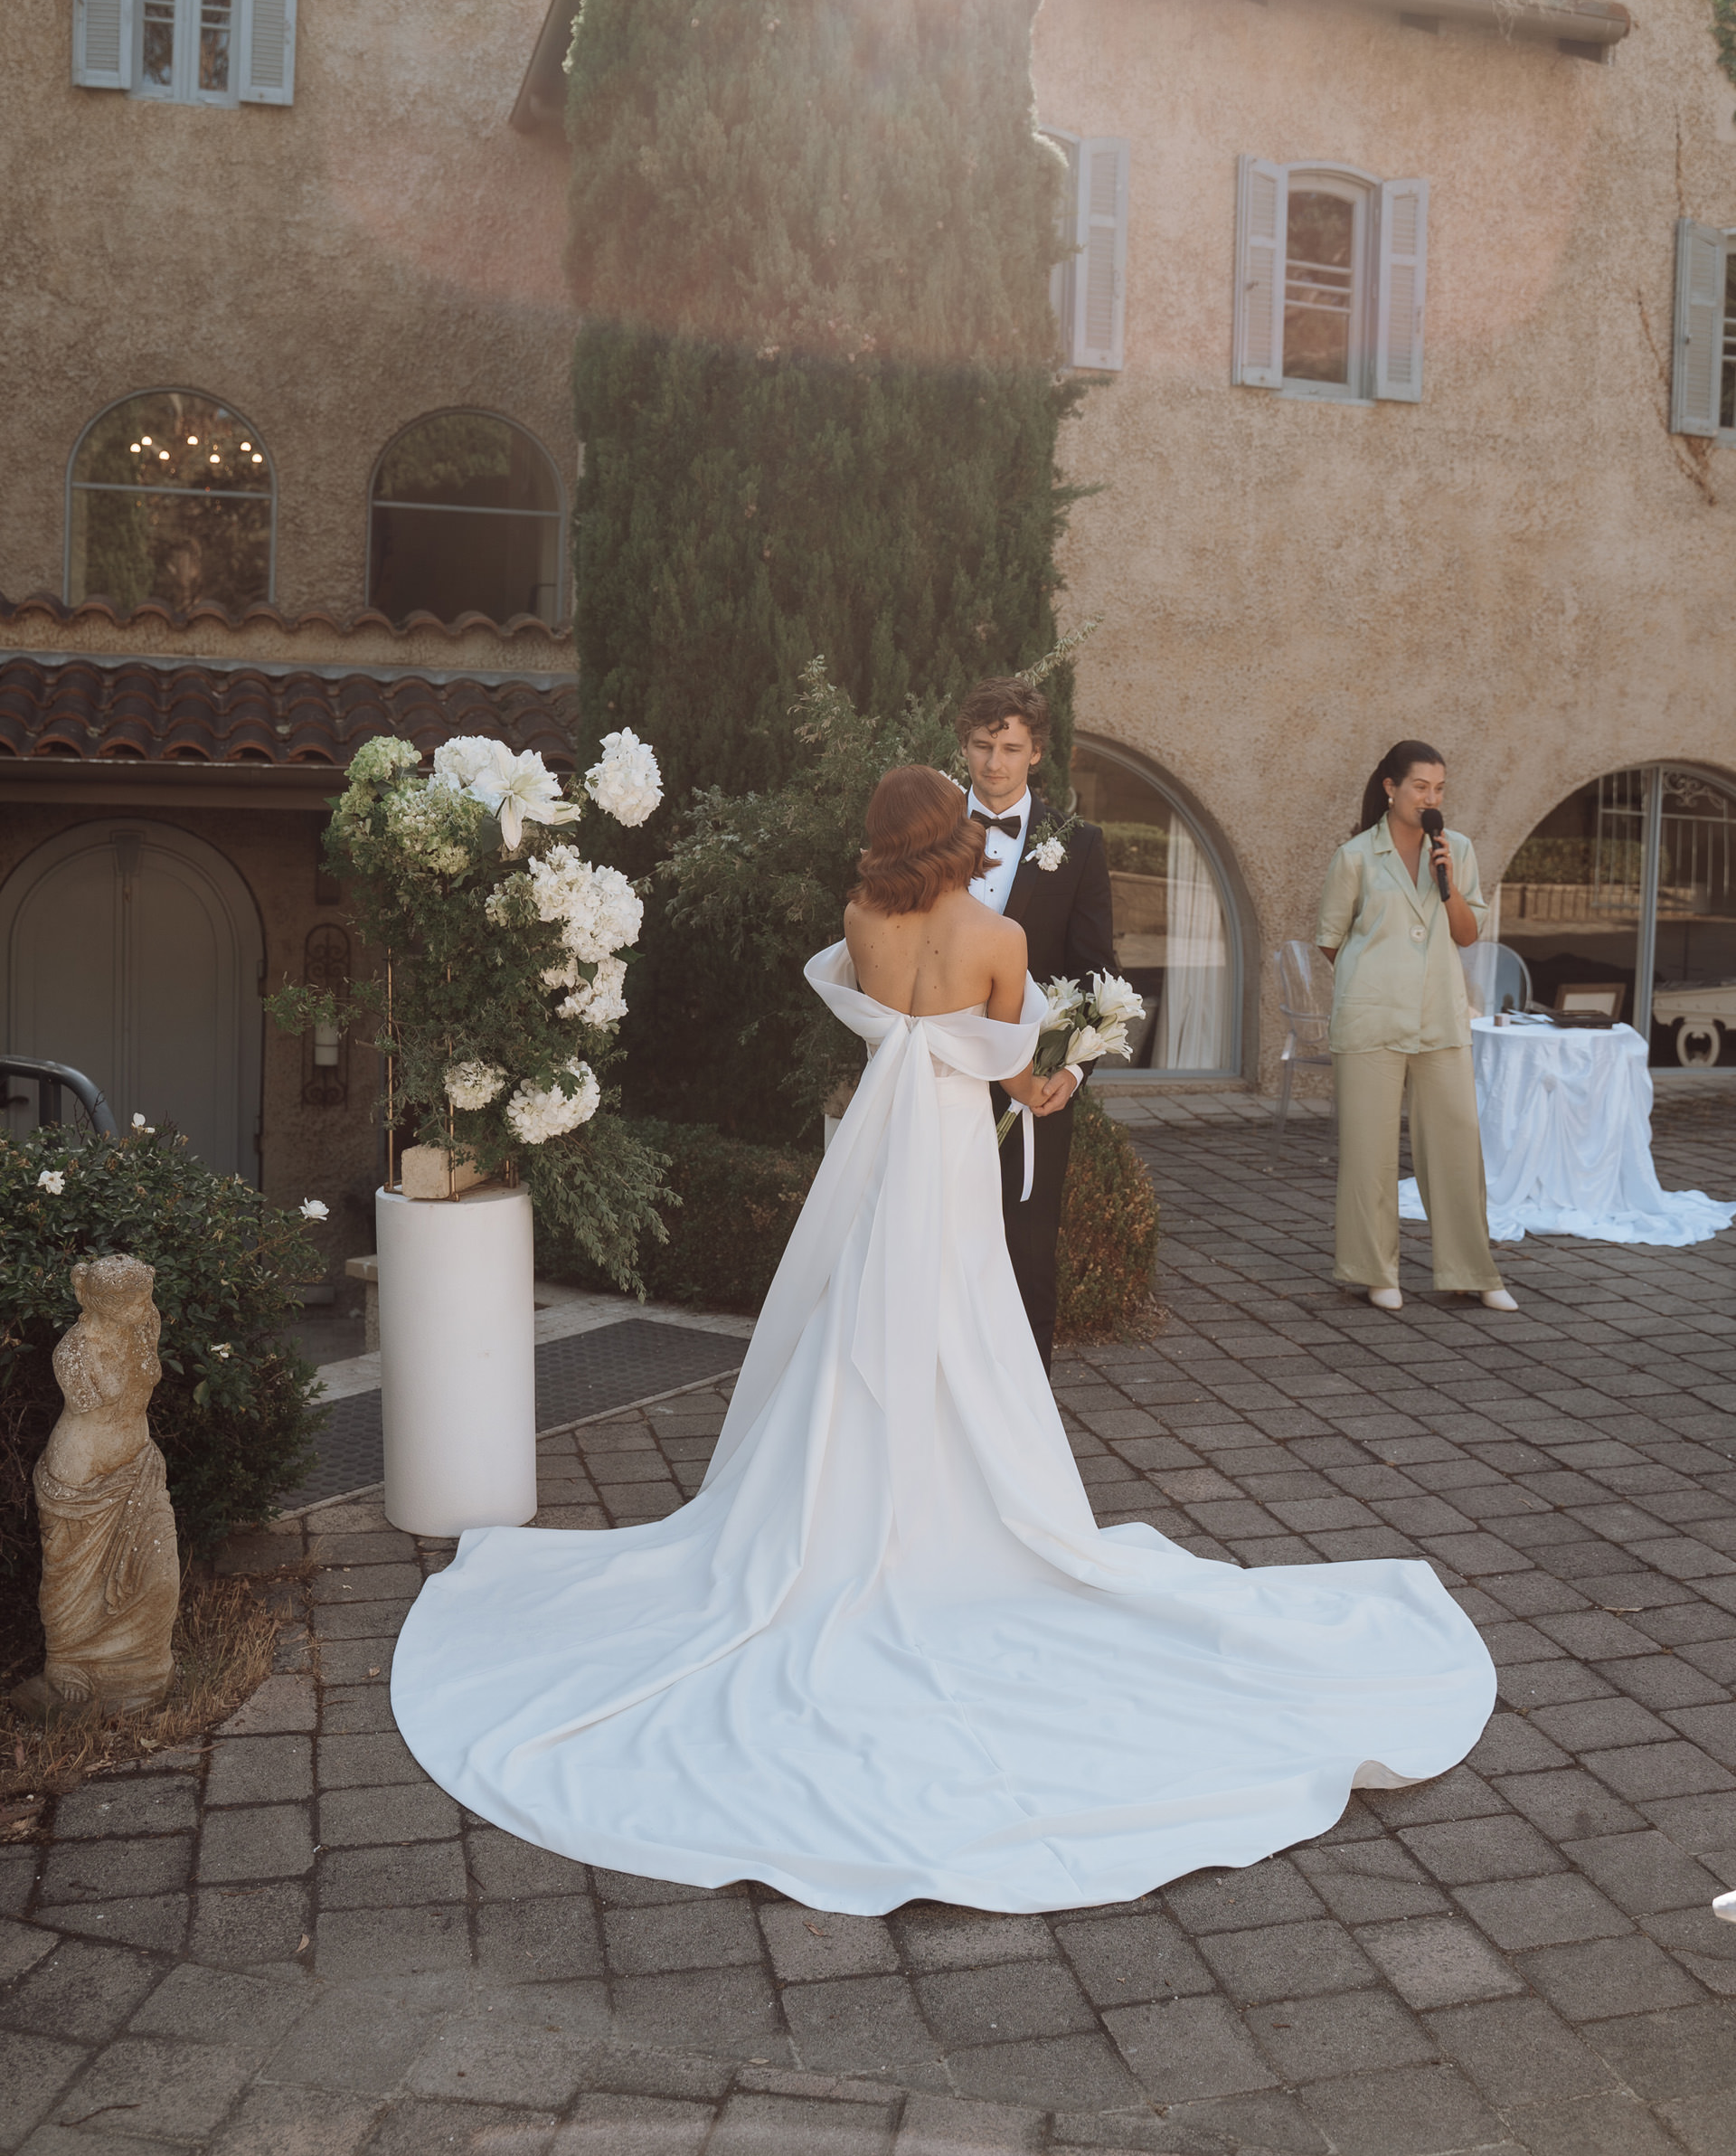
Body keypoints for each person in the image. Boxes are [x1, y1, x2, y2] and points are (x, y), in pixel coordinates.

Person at [390, 763, 1497, 1915]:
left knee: (862, 1301)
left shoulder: (861, 919)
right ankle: (956, 1502)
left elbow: (882, 1019)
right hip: (950, 1143)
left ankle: (841, 1497)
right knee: (960, 1308)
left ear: (884, 836)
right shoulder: (998, 936)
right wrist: (1057, 1078)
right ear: (954, 832)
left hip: (881, 1140)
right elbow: (1012, 1069)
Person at [1316, 740, 1516, 1315]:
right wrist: (1377, 979)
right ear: (1391, 788)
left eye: (1439, 789)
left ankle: (1470, 1272)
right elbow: (1330, 941)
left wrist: (1444, 880)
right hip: (1371, 1019)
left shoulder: (1458, 851)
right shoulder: (1355, 856)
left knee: (1457, 1149)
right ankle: (1371, 1271)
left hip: (1440, 1019)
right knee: (1369, 1154)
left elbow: (1467, 934)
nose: (1431, 798)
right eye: (1420, 787)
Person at [957, 675, 1117, 1371]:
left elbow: (1096, 972)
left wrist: (1071, 1070)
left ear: (1037, 753)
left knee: (1026, 1248)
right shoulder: (929, 829)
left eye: (1011, 748)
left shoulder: (1078, 844)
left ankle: (1027, 1411)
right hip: (939, 1074)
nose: (994, 762)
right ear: (964, 746)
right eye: (982, 745)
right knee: (938, 1240)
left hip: (1033, 1082)